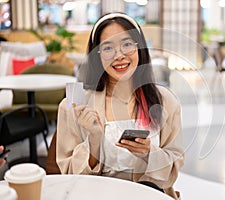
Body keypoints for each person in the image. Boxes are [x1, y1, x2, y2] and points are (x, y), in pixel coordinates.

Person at [56, 12, 184, 199]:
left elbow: (173, 170)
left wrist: (149, 153)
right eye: (108, 48)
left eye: (127, 44)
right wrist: (94, 142)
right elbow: (69, 177)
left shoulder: (166, 101)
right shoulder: (75, 105)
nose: (120, 55)